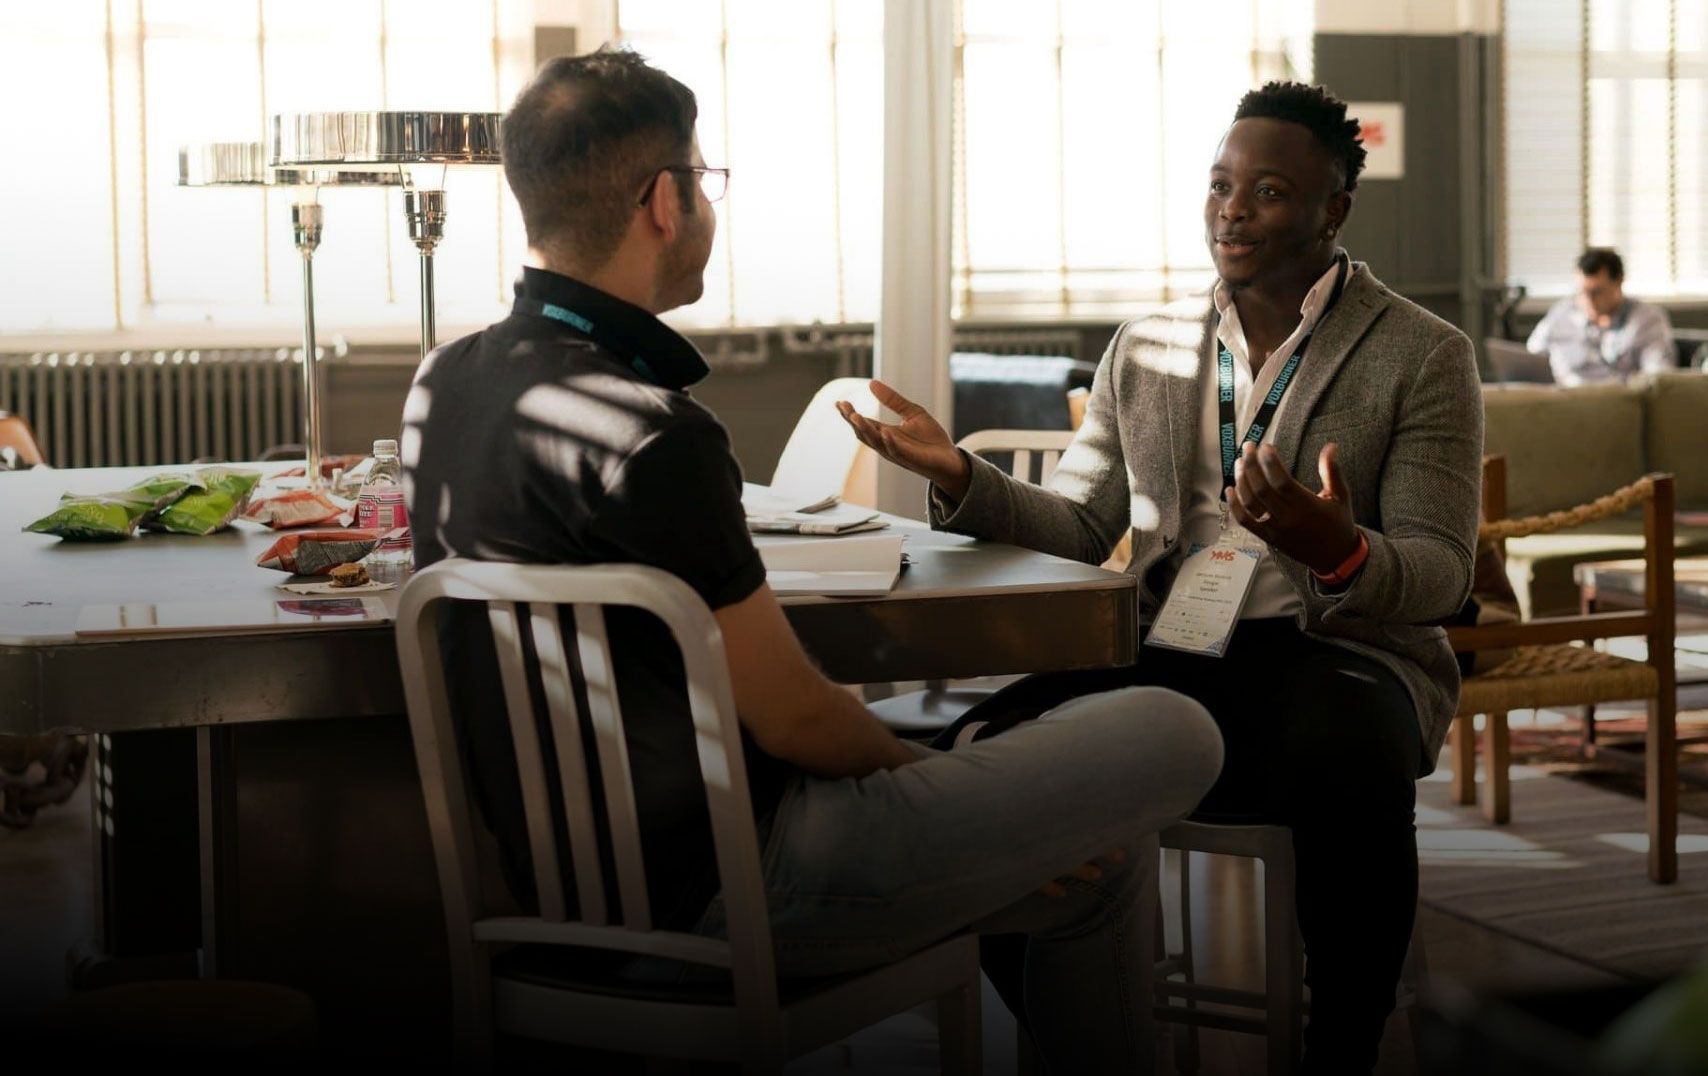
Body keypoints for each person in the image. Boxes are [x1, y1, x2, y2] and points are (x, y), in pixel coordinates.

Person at [402, 47, 1223, 1072]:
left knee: (1098, 868)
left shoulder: (445, 383)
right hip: (745, 882)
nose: (707, 205)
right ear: (664, 199)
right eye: (705, 180)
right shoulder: (658, 432)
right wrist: (939, 778)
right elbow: (790, 712)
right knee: (1174, 723)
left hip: (555, 889)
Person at [842, 81, 1483, 1072]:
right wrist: (963, 476)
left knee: (1346, 746)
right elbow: (1087, 524)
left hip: (1338, 651)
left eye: (1267, 189)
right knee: (994, 744)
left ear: (1334, 209)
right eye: (1221, 184)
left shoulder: (1423, 353)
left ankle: (1343, 1046)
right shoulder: (1143, 347)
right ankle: (1077, 1034)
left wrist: (1336, 548)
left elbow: (1442, 572)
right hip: (1172, 644)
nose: (1232, 209)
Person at [1526, 246, 1678, 385]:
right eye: (1582, 292)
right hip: (1562, 400)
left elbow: (1658, 376)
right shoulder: (1562, 313)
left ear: (1619, 281)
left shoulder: (1647, 320)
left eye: (1596, 292)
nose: (1588, 301)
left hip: (1616, 402)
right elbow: (1530, 358)